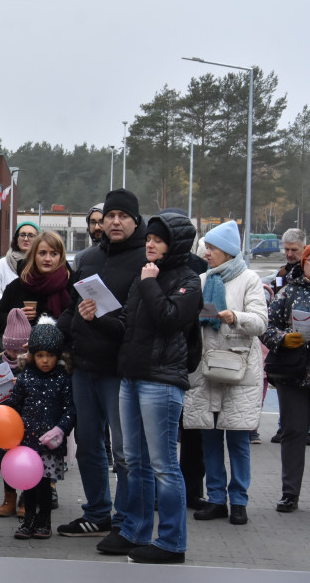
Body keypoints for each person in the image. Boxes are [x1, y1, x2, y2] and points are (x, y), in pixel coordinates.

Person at [96, 210, 201, 564]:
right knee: (135, 461)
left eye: (157, 239)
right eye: (150, 238)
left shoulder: (188, 279)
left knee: (164, 465)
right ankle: (134, 531)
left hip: (162, 382)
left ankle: (171, 542)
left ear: (175, 244)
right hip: (131, 377)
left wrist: (149, 284)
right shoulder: (146, 275)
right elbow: (129, 323)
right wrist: (98, 313)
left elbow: (170, 318)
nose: (150, 244)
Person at [54, 189, 146, 538]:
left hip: (121, 371)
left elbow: (136, 321)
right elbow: (70, 309)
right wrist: (46, 341)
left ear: (135, 221)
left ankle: (124, 519)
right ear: (101, 221)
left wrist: (98, 320)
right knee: (88, 446)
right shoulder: (89, 258)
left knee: (124, 451)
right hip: (84, 367)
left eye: (123, 216)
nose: (116, 221)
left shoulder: (144, 260)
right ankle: (96, 512)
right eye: (110, 216)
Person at [183, 220, 266, 525]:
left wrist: (234, 317)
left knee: (238, 439)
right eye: (207, 247)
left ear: (229, 251)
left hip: (238, 370)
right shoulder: (202, 280)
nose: (207, 252)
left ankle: (239, 501)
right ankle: (216, 499)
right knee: (210, 437)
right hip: (206, 370)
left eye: (214, 248)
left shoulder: (249, 279)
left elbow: (260, 322)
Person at [5, 319, 75, 540]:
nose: (45, 361)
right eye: (40, 355)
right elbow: (13, 405)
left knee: (45, 485)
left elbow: (70, 409)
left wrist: (61, 429)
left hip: (49, 445)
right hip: (26, 443)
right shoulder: (25, 377)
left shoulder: (63, 379)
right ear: (32, 355)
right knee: (29, 486)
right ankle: (27, 521)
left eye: (51, 356)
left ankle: (44, 522)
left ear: (59, 356)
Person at [260, 243, 310, 514]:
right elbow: (266, 328)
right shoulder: (288, 291)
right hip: (295, 375)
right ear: (304, 263)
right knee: (293, 433)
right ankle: (289, 494)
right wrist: (283, 339)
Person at [0, 308, 32, 516]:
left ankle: (27, 499)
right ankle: (9, 497)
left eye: (19, 350)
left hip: (28, 418)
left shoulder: (31, 365)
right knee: (7, 456)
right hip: (6, 420)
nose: (14, 355)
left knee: (27, 456)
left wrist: (22, 383)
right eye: (11, 350)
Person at [0, 221, 39, 307]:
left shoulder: (42, 265)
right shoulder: (1, 265)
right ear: (16, 239)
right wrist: (11, 309)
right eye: (22, 235)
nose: (26, 239)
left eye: (31, 235)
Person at [73, 204, 104, 271]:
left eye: (101, 222)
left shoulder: (121, 256)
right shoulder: (80, 258)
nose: (97, 227)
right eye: (93, 222)